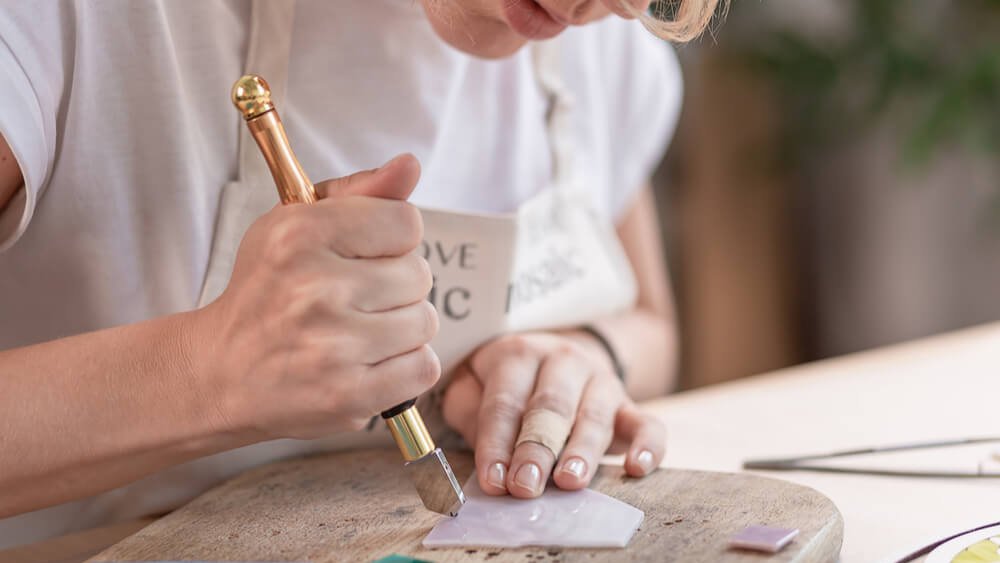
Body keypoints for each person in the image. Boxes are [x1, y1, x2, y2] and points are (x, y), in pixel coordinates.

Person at [0, 0, 718, 548]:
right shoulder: (68, 23)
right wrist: (207, 370)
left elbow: (651, 323)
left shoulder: (600, 50)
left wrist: (584, 353)